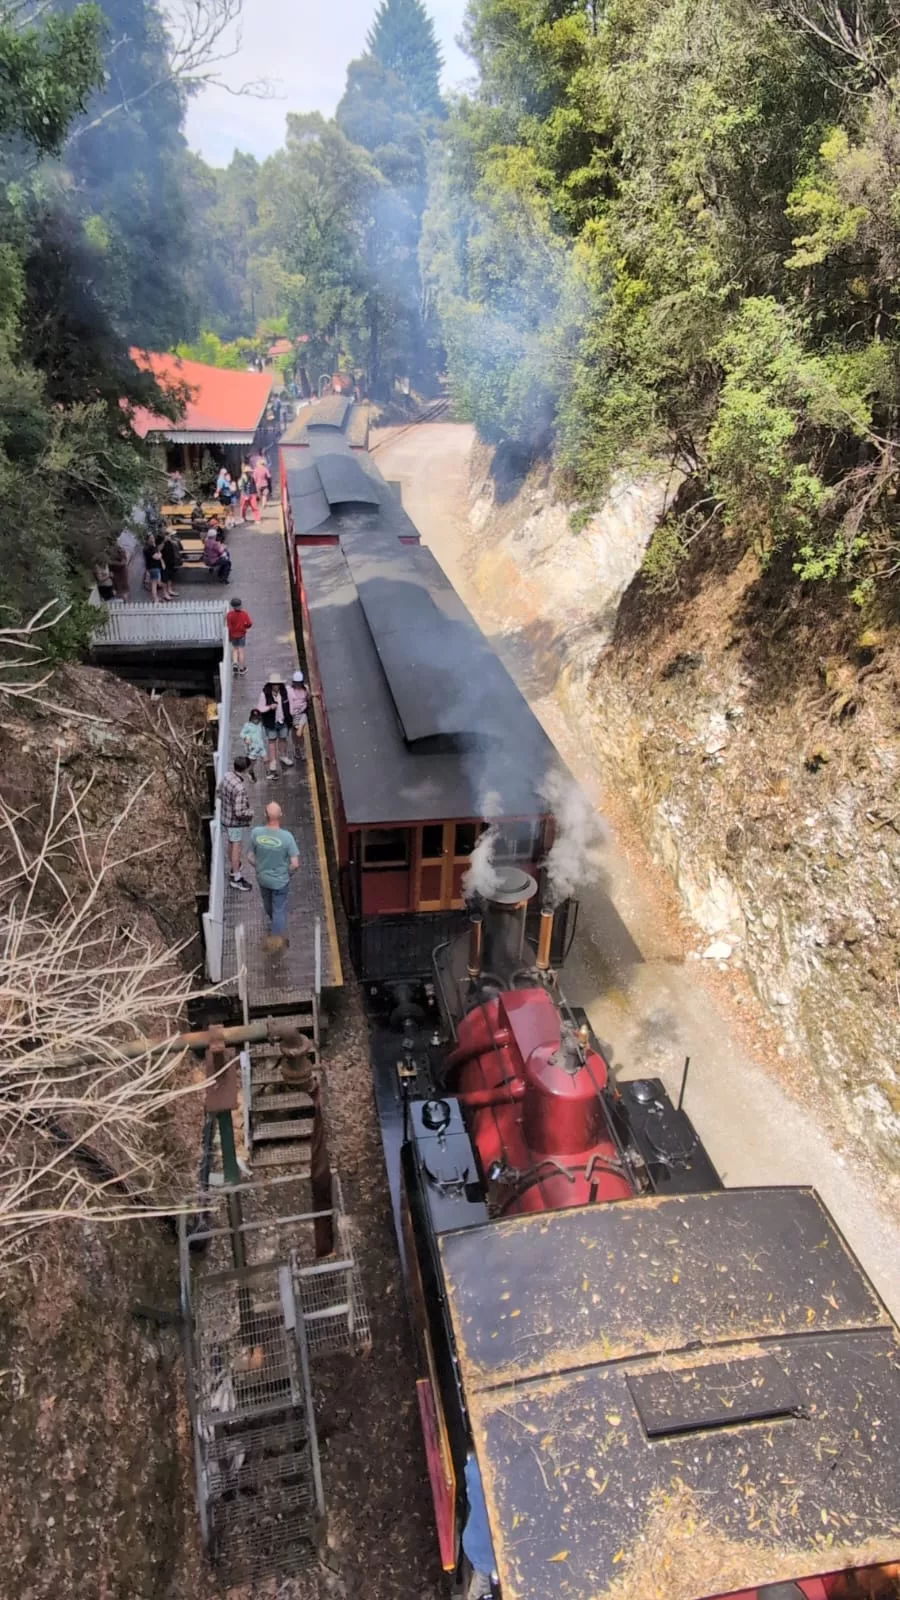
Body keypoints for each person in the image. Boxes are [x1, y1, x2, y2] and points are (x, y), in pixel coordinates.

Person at [248, 801, 300, 951]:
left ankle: (276, 925)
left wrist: (260, 868)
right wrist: (287, 873)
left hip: (263, 879)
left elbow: (250, 856)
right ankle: (276, 942)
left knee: (269, 905)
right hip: (280, 881)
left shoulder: (256, 833)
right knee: (279, 909)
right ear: (281, 816)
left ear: (265, 815)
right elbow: (295, 863)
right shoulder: (287, 837)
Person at [217, 755, 254, 892]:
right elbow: (239, 812)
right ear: (246, 769)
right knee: (236, 847)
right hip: (235, 822)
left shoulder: (227, 776)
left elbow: (219, 792)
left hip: (225, 818)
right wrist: (250, 812)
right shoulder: (240, 788)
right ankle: (236, 877)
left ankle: (234, 867)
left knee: (231, 843)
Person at [257, 674, 293, 777]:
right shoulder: (264, 694)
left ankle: (283, 756)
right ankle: (273, 761)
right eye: (274, 684)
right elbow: (260, 708)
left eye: (278, 684)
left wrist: (291, 715)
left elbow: (290, 702)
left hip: (283, 720)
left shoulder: (285, 691)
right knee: (272, 740)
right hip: (271, 722)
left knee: (283, 738)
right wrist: (269, 707)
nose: (276, 686)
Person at [226, 596, 253, 675]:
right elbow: (249, 624)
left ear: (232, 606)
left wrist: (230, 637)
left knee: (235, 649)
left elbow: (229, 627)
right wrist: (245, 627)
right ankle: (241, 669)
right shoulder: (244, 613)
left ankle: (235, 663)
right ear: (240, 605)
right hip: (241, 634)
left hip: (233, 635)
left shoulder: (229, 615)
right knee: (241, 650)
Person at [240, 707, 267, 780]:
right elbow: (242, 733)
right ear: (251, 718)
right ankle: (250, 770)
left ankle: (268, 772)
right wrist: (246, 738)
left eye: (257, 718)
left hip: (261, 745)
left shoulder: (260, 724)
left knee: (265, 758)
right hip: (252, 747)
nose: (255, 720)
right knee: (253, 761)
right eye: (254, 718)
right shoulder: (247, 725)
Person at [287, 669, 308, 761]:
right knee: (294, 733)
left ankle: (302, 750)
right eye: (296, 682)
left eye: (299, 683)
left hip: (302, 713)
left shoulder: (306, 689)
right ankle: (297, 749)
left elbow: (308, 698)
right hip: (292, 714)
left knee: (299, 733)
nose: (298, 684)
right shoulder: (289, 690)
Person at [143, 533, 166, 603]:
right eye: (151, 538)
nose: (152, 539)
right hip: (153, 567)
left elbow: (158, 554)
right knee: (154, 584)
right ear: (147, 540)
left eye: (153, 538)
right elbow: (157, 557)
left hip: (155, 567)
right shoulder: (148, 548)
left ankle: (156, 598)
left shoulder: (152, 547)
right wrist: (160, 555)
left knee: (156, 583)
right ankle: (155, 599)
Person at [159, 530, 181, 600]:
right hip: (164, 562)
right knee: (164, 579)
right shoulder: (160, 540)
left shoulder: (171, 541)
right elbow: (158, 549)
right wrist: (164, 541)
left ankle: (170, 590)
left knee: (170, 577)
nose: (169, 536)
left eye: (170, 535)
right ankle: (165, 593)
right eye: (168, 535)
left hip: (170, 561)